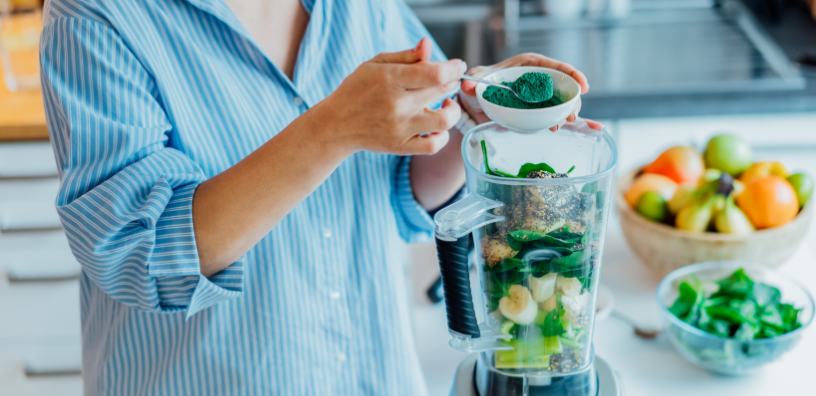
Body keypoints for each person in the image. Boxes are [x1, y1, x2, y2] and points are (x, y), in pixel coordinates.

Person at [39, 0, 596, 394]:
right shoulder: (94, 15)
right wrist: (330, 129)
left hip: (373, 374)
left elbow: (401, 192)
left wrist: (470, 120)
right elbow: (141, 251)